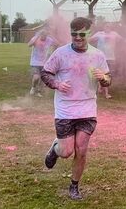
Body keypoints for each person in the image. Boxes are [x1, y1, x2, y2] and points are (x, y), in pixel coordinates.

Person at [40, 17, 110, 201]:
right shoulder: (60, 53)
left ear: (88, 33)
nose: (77, 38)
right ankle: (55, 149)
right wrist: (57, 83)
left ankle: (74, 186)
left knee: (82, 150)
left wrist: (103, 78)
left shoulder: (98, 55)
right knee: (66, 151)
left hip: (87, 110)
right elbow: (45, 73)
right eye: (74, 34)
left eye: (82, 34)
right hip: (65, 110)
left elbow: (108, 80)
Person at [88, 22, 125, 99]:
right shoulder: (99, 33)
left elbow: (122, 40)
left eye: (109, 26)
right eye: (106, 26)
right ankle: (106, 94)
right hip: (100, 58)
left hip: (111, 58)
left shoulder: (114, 34)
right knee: (103, 74)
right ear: (104, 27)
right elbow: (89, 40)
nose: (108, 27)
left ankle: (101, 88)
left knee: (108, 75)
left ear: (111, 27)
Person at [27, 29, 57, 97]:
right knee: (36, 77)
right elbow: (29, 45)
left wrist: (52, 35)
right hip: (35, 62)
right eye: (43, 36)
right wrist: (36, 38)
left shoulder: (49, 39)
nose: (44, 38)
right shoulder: (36, 38)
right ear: (40, 35)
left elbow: (56, 44)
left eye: (45, 36)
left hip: (44, 62)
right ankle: (33, 87)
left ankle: (38, 91)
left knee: (42, 78)